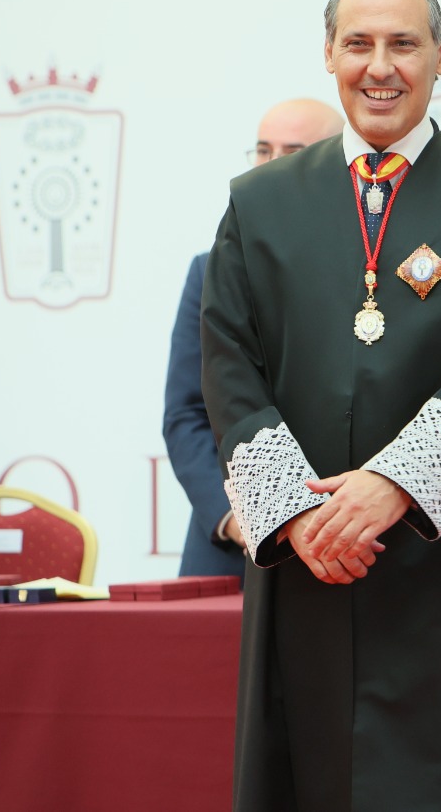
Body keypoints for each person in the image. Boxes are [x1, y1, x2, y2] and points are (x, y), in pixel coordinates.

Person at [201, 0, 441, 810]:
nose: (380, 66)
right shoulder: (258, 204)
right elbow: (228, 363)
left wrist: (392, 487)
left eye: (404, 43)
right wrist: (300, 513)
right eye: (358, 43)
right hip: (307, 560)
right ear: (329, 54)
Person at [163, 97, 343, 577]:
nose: (270, 165)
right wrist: (235, 518)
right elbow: (186, 413)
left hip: (342, 535)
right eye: (263, 150)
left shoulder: (372, 272)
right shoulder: (209, 270)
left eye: (292, 151)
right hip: (232, 547)